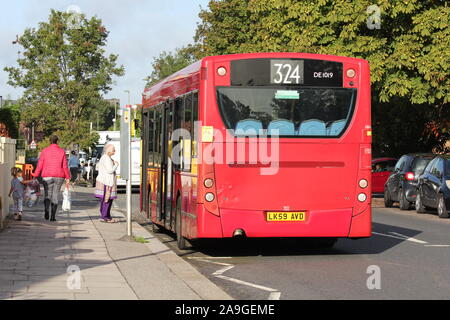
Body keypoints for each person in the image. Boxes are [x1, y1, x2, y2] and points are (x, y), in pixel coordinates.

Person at [32, 135, 70, 221]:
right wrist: (67, 177)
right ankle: (53, 216)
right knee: (55, 195)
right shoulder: (62, 152)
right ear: (57, 141)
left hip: (47, 176)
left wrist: (35, 175)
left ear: (50, 141)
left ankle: (46, 210)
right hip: (59, 176)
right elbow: (65, 166)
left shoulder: (45, 151)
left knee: (47, 194)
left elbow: (40, 164)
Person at [94, 143, 119, 223]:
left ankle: (106, 216)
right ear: (109, 151)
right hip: (107, 182)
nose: (114, 151)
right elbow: (110, 170)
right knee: (107, 200)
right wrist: (116, 165)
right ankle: (105, 216)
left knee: (106, 200)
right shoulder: (106, 158)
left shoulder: (105, 158)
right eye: (113, 150)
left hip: (105, 181)